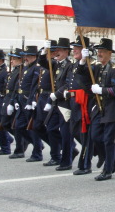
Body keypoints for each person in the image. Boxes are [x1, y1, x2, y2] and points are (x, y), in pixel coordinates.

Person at [89, 38, 115, 181]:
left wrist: (101, 90)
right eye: (98, 51)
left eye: (103, 51)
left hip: (111, 109)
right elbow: (83, 71)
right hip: (99, 108)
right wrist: (85, 58)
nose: (100, 54)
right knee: (95, 136)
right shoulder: (98, 67)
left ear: (110, 53)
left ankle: (108, 170)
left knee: (109, 141)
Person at [39, 38, 73, 168]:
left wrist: (56, 94)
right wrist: (44, 51)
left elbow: (68, 84)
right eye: (56, 50)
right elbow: (42, 62)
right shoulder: (56, 64)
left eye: (59, 50)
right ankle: (56, 156)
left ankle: (66, 161)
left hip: (64, 103)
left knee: (65, 133)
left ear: (66, 52)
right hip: (55, 103)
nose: (57, 52)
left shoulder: (69, 66)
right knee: (51, 128)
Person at [63, 36, 92, 174]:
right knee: (74, 131)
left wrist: (84, 61)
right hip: (73, 102)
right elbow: (68, 81)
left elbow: (87, 78)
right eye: (74, 47)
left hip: (84, 102)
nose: (74, 50)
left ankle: (85, 165)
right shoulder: (73, 64)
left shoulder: (88, 64)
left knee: (84, 134)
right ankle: (109, 155)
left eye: (77, 48)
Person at [10, 46, 43, 162]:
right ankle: (36, 144)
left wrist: (31, 101)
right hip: (21, 100)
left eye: (28, 56)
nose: (26, 58)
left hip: (28, 99)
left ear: (34, 56)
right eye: (25, 56)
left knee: (31, 128)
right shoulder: (26, 68)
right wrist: (14, 100)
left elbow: (35, 86)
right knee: (19, 126)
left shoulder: (36, 68)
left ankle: (37, 153)